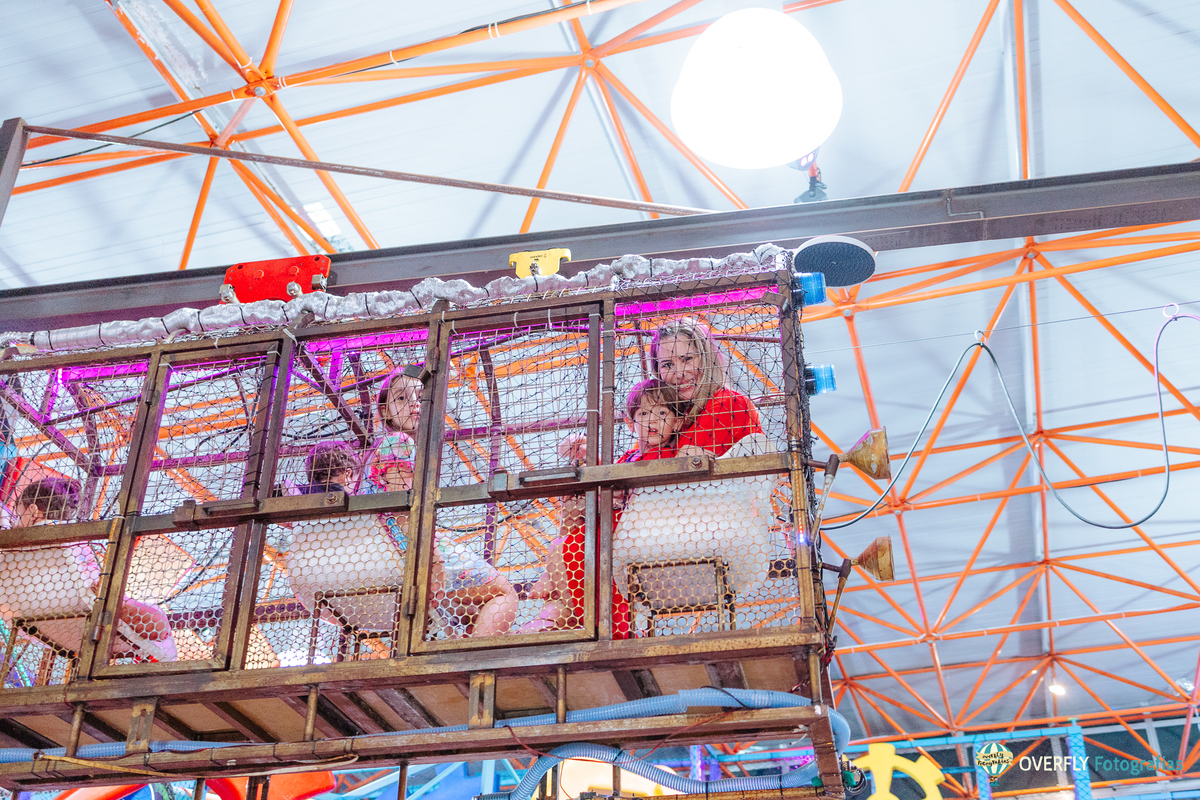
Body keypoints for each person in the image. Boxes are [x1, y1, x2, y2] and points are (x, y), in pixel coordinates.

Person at [520, 379, 687, 636]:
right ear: (631, 423)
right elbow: (608, 481)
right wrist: (587, 456)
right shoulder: (628, 457)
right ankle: (574, 611)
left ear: (677, 421)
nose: (652, 421)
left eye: (662, 413)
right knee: (573, 501)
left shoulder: (671, 454)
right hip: (610, 527)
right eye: (643, 413)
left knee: (560, 548)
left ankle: (579, 615)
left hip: (638, 531)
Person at [13, 478, 175, 661]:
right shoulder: (75, 543)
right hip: (80, 615)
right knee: (157, 619)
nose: (15, 522)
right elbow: (94, 586)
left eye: (17, 514)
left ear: (33, 510)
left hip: (29, 613)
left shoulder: (11, 547)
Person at [371, 452, 518, 638]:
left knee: (472, 612)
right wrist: (438, 581)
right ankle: (478, 650)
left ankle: (470, 633)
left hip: (423, 576)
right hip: (442, 571)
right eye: (410, 471)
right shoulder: (405, 500)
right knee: (507, 593)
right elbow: (431, 551)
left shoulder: (376, 504)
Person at [649, 317, 763, 458]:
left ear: (707, 359)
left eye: (687, 359)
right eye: (667, 365)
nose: (679, 374)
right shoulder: (669, 416)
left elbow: (681, 469)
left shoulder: (728, 403)